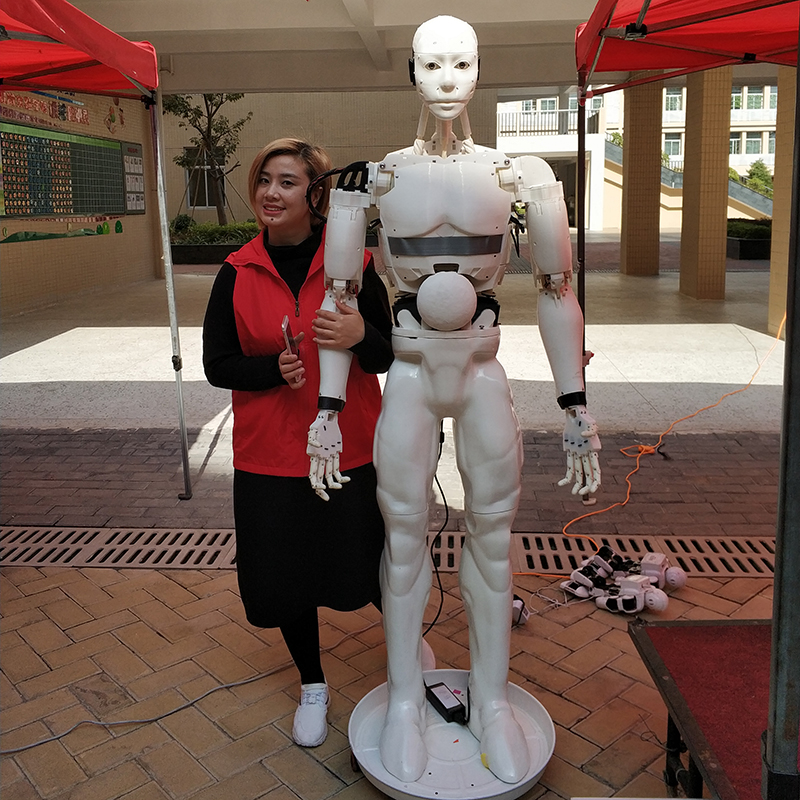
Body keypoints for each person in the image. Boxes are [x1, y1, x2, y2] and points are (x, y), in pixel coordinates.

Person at [306, 17, 601, 785]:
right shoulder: (369, 181)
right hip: (408, 372)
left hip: (480, 370)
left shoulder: (521, 174)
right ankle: (406, 698)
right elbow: (339, 300)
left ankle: (491, 701)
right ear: (411, 71)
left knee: (494, 538)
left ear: (477, 69)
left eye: (460, 64)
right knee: (403, 538)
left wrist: (574, 401)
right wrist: (327, 411)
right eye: (432, 64)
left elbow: (557, 289)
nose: (446, 79)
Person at [202, 137, 394, 748]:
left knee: (371, 560)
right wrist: (269, 370)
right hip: (271, 456)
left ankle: (405, 647)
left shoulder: (355, 265)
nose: (270, 192)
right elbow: (216, 364)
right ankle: (312, 682)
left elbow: (388, 354)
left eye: (287, 182)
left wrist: (361, 333)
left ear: (317, 195)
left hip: (352, 448)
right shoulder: (236, 271)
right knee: (285, 576)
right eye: (264, 180)